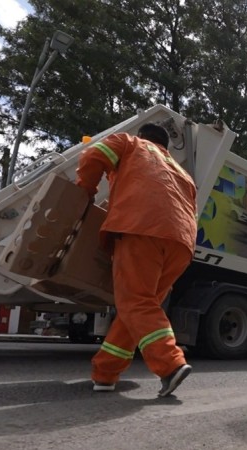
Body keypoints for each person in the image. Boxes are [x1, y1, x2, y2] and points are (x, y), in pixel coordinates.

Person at [75, 123, 197, 397]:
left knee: (135, 302)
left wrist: (85, 190)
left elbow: (92, 156)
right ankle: (105, 373)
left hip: (141, 228)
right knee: (139, 308)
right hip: (181, 243)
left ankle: (170, 365)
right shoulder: (183, 173)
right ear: (166, 146)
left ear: (143, 136)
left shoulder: (129, 143)